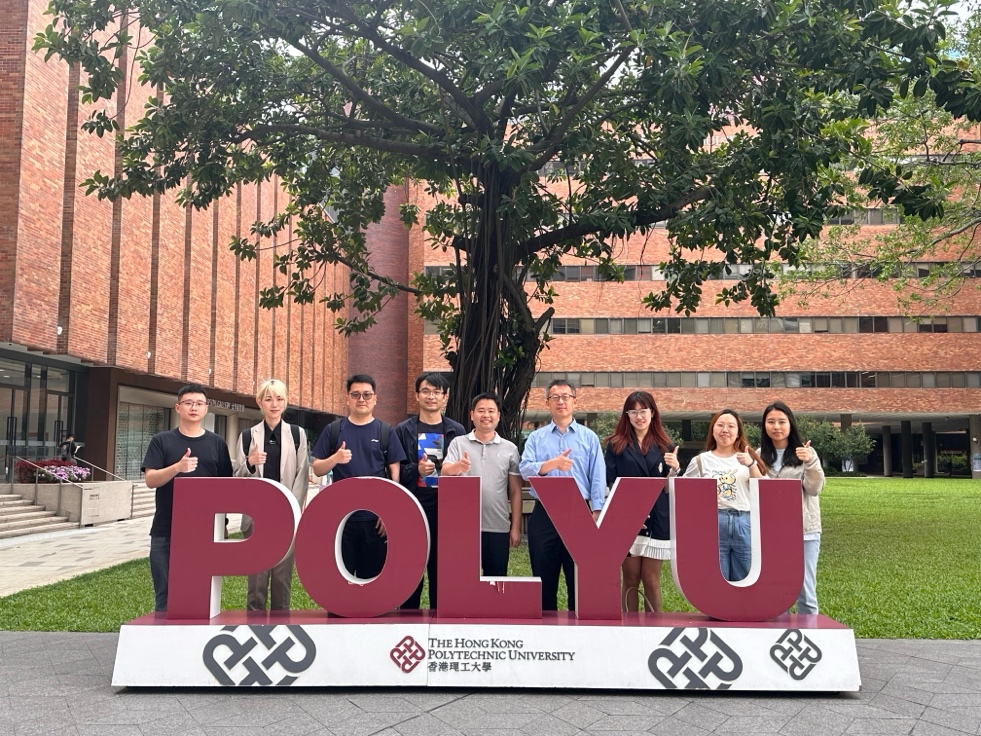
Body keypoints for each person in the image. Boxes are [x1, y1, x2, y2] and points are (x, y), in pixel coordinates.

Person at [142, 383, 233, 612]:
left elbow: (225, 488)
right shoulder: (161, 441)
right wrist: (177, 468)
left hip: (204, 530)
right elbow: (151, 480)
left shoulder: (217, 443)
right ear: (177, 407)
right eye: (189, 403)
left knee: (200, 594)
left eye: (199, 404)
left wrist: (223, 524)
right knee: (164, 596)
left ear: (206, 409)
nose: (194, 407)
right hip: (166, 528)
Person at [519, 380, 606, 611]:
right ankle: (546, 625)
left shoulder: (589, 437)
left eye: (566, 397)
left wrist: (597, 510)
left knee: (578, 576)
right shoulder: (536, 438)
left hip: (579, 512)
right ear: (547, 403)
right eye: (555, 397)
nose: (561, 401)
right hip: (545, 512)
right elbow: (524, 469)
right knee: (543, 575)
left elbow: (598, 476)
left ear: (574, 402)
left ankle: (578, 625)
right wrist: (551, 464)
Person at [311, 374, 406, 580]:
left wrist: (388, 513)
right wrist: (335, 458)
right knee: (340, 581)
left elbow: (395, 476)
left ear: (375, 399)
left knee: (372, 582)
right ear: (347, 398)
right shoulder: (334, 430)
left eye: (366, 395)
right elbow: (317, 469)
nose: (361, 399)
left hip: (376, 521)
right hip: (342, 521)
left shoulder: (385, 431)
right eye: (355, 395)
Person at [233, 379, 310, 611]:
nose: (274, 404)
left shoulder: (297, 434)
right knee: (256, 579)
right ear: (259, 402)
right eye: (268, 399)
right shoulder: (248, 436)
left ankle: (280, 623)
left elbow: (301, 476)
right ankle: (254, 623)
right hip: (256, 516)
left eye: (279, 399)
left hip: (286, 514)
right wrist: (250, 462)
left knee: (281, 579)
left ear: (286, 402)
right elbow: (236, 478)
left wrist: (291, 510)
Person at [395, 372, 466, 609]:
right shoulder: (403, 430)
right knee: (411, 566)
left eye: (437, 392)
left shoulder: (457, 430)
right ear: (417, 395)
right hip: (413, 507)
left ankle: (440, 616)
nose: (431, 396)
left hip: (445, 509)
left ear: (445, 396)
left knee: (442, 568)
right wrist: (416, 469)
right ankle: (408, 619)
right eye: (425, 391)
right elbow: (394, 470)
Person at [604, 391, 679, 613]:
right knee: (630, 577)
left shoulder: (666, 445)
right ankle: (629, 626)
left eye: (643, 411)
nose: (639, 416)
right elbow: (610, 484)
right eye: (633, 411)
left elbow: (668, 488)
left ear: (652, 413)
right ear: (626, 415)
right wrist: (628, 512)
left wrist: (675, 469)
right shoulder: (615, 445)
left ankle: (655, 627)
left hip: (657, 517)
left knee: (651, 579)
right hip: (627, 519)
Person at [442, 393, 523, 576]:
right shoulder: (458, 443)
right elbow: (445, 471)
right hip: (463, 527)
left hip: (497, 526)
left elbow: (515, 491)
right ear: (472, 415)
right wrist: (458, 467)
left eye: (491, 411)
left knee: (495, 581)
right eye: (481, 411)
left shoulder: (510, 449)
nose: (486, 415)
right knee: (462, 579)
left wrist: (515, 527)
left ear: (498, 415)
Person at [682, 408, 765, 582]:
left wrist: (751, 465)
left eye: (731, 426)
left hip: (744, 522)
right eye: (720, 425)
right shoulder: (700, 461)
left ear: (738, 432)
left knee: (745, 578)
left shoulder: (748, 458)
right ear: (712, 430)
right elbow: (684, 492)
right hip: (713, 522)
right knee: (716, 581)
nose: (725, 430)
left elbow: (764, 491)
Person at [759, 401, 826, 614]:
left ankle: (809, 631)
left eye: (782, 421)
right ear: (764, 425)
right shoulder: (759, 455)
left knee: (805, 588)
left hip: (804, 531)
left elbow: (814, 489)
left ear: (790, 424)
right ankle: (780, 631)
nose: (776, 426)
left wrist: (810, 462)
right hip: (772, 533)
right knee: (777, 589)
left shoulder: (806, 452)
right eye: (771, 422)